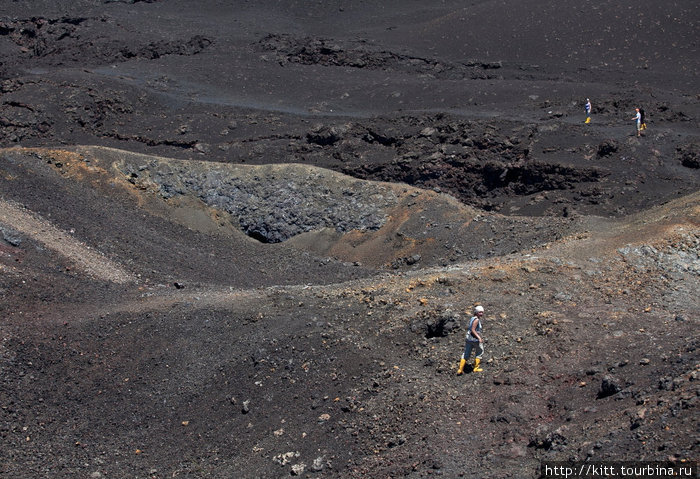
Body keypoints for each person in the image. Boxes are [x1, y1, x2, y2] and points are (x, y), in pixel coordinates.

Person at [457, 305, 485, 374]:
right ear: (476, 312)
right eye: (479, 312)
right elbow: (473, 329)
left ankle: (460, 369)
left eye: (482, 312)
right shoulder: (477, 320)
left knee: (466, 353)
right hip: (474, 339)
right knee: (480, 352)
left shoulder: (472, 318)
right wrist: (479, 338)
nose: (481, 314)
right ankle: (476, 368)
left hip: (468, 338)